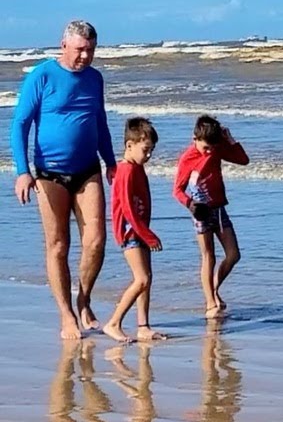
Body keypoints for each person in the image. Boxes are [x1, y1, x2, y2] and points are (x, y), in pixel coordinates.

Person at [10, 19, 117, 340]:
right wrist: (22, 171)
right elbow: (20, 124)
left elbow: (100, 121)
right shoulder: (42, 76)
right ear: (64, 45)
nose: (86, 56)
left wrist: (112, 163)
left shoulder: (95, 79)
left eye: (92, 50)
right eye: (81, 49)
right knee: (58, 245)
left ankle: (84, 300)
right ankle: (66, 314)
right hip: (48, 173)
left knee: (96, 239)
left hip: (88, 169)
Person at [173, 115, 250, 318]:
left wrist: (230, 140)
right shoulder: (187, 158)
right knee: (209, 256)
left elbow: (243, 160)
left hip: (218, 208)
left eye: (211, 148)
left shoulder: (216, 149)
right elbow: (177, 190)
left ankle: (214, 288)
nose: (208, 152)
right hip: (200, 210)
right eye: (205, 148)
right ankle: (210, 303)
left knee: (233, 255)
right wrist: (190, 204)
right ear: (195, 139)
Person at [103, 117, 166, 343]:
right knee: (141, 279)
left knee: (147, 279)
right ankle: (113, 322)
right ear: (130, 146)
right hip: (131, 232)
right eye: (145, 150)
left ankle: (143, 326)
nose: (148, 155)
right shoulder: (126, 170)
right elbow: (128, 209)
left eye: (151, 151)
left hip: (140, 229)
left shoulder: (137, 168)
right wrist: (147, 235)